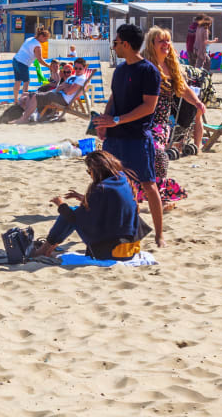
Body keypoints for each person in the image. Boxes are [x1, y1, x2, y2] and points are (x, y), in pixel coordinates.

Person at [91, 23, 165, 246]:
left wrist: (117, 120)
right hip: (114, 138)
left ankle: (160, 234)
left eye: (115, 42)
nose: (113, 46)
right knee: (105, 184)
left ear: (125, 44)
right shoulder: (120, 70)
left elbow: (148, 107)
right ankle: (110, 230)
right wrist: (105, 122)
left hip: (137, 138)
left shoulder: (149, 71)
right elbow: (113, 99)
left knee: (148, 185)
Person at [32, 150, 145, 261]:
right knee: (77, 211)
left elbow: (74, 218)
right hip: (131, 249)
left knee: (71, 213)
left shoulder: (101, 188)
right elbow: (112, 205)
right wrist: (83, 198)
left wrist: (60, 204)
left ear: (96, 171)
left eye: (89, 171)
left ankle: (44, 249)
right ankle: (50, 246)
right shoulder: (122, 180)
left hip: (112, 252)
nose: (89, 174)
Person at [140, 26, 204, 206]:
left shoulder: (171, 66)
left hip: (160, 123)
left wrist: (197, 102)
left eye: (168, 40)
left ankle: (158, 195)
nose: (166, 44)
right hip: (140, 120)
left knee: (159, 156)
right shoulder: (143, 66)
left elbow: (183, 89)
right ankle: (141, 195)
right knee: (144, 159)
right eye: (161, 40)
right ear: (152, 44)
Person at [11, 57, 89, 124]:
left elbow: (68, 92)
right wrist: (66, 86)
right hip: (57, 94)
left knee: (34, 97)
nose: (77, 70)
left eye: (80, 68)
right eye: (76, 68)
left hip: (62, 99)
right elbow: (60, 86)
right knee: (26, 95)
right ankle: (17, 115)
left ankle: (24, 119)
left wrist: (65, 87)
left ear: (84, 68)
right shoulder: (73, 77)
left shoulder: (81, 79)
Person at [12, 27, 52, 101]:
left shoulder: (30, 39)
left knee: (18, 81)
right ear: (41, 36)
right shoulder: (37, 46)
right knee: (26, 82)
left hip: (15, 60)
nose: (46, 41)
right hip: (23, 63)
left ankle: (15, 100)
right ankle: (23, 101)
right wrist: (49, 66)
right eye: (46, 38)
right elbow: (40, 60)